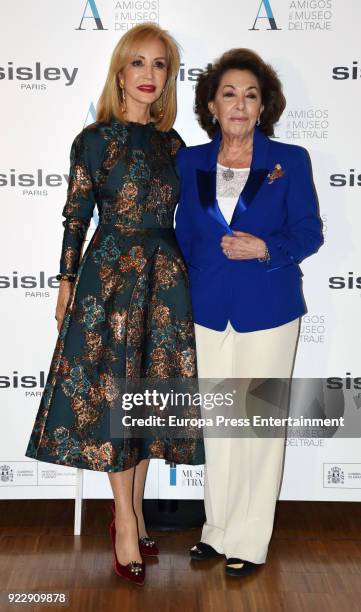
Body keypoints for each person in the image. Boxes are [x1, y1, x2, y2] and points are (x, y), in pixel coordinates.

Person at [25, 23, 204, 586]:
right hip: (109, 276)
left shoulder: (174, 145)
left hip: (165, 276)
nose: (149, 76)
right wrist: (64, 283)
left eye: (160, 66)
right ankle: (124, 519)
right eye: (139, 64)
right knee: (114, 393)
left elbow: (196, 216)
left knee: (146, 396)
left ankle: (137, 509)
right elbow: (76, 216)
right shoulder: (94, 140)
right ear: (120, 73)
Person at [175, 48, 323, 577]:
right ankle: (216, 531)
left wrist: (263, 248)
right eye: (229, 93)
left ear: (264, 107)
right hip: (208, 308)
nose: (240, 104)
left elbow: (309, 233)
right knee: (219, 424)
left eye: (251, 94)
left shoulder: (291, 160)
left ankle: (250, 541)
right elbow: (183, 233)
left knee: (257, 425)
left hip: (270, 307)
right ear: (212, 105)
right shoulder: (188, 161)